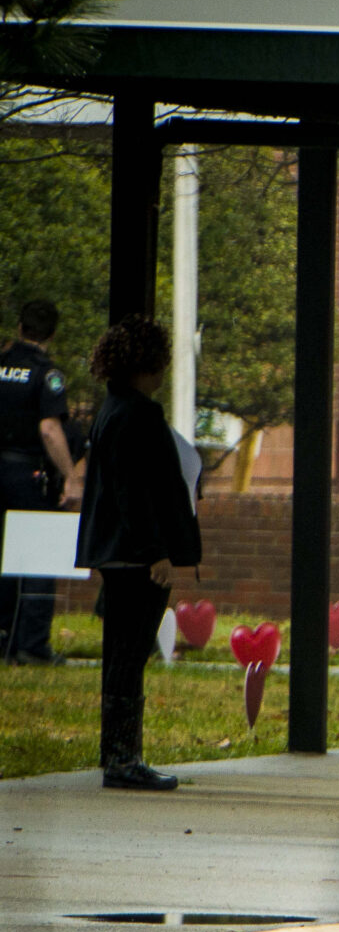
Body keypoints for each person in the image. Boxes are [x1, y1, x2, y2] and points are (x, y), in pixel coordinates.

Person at [74, 319, 199, 791]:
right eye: (158, 363)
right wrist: (157, 552)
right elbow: (138, 493)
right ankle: (125, 758)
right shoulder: (138, 415)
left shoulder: (110, 410)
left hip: (112, 550)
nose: (163, 372)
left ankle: (116, 751)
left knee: (120, 655)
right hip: (135, 555)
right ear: (145, 365)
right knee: (132, 652)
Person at [1, 300, 79, 663]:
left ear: (19, 327)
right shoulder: (47, 375)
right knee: (35, 557)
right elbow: (50, 429)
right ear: (51, 334)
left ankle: (3, 637)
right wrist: (71, 476)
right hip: (27, 474)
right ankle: (30, 645)